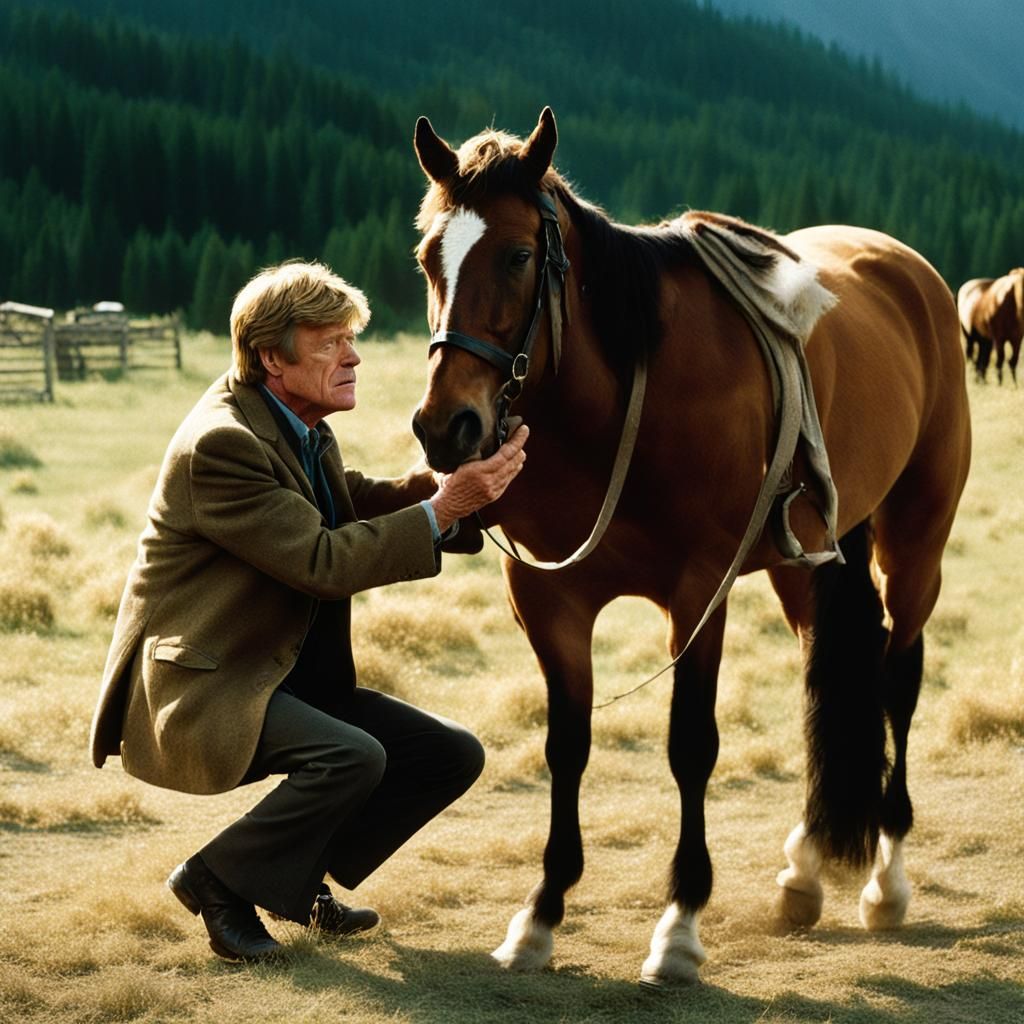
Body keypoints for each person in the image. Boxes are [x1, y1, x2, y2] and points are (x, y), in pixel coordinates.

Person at [88, 260, 528, 962]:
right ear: (271, 355)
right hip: (206, 684)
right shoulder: (223, 445)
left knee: (448, 754)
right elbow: (322, 561)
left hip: (275, 674)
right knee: (351, 756)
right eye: (330, 342)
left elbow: (340, 501)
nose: (352, 356)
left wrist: (444, 489)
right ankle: (216, 881)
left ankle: (289, 876)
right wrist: (446, 508)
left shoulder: (294, 421)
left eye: (351, 339)